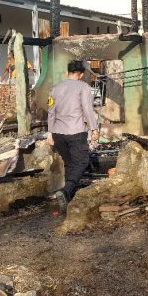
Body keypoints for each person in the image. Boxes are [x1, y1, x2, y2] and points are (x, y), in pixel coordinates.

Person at [47, 60, 99, 209]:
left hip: (58, 132)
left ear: (67, 72)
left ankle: (67, 200)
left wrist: (50, 132)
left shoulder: (54, 89)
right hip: (76, 131)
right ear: (81, 74)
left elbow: (51, 112)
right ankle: (66, 190)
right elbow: (87, 109)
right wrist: (94, 128)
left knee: (70, 164)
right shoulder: (83, 87)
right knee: (82, 161)